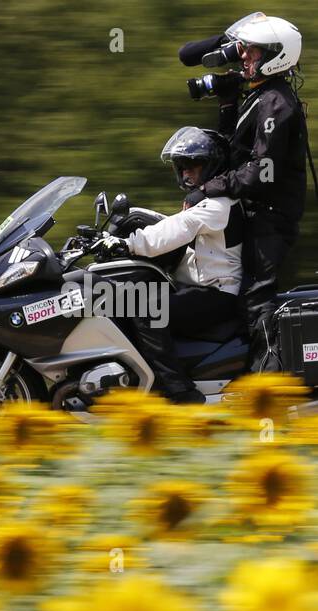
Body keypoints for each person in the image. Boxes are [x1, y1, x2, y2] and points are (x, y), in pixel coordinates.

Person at [186, 14, 310, 373]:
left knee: (257, 298)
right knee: (236, 297)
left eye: (252, 51)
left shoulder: (276, 104)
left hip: (270, 218)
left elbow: (260, 172)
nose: (243, 57)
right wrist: (226, 105)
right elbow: (232, 155)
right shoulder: (259, 96)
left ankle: (267, 385)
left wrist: (206, 189)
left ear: (274, 54)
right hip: (253, 214)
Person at [98, 127, 244, 404]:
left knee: (146, 309)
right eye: (181, 167)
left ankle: (180, 391)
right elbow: (168, 225)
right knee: (139, 289)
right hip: (202, 289)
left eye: (192, 166)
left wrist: (128, 244)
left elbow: (177, 229)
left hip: (218, 296)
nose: (186, 174)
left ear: (212, 165)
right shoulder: (208, 202)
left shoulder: (219, 204)